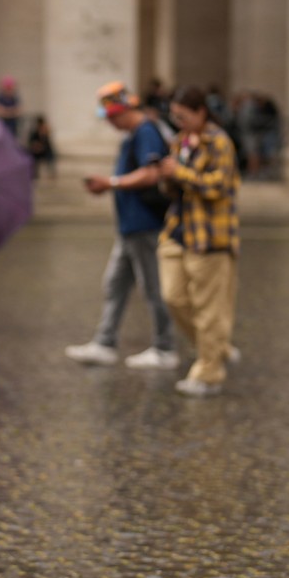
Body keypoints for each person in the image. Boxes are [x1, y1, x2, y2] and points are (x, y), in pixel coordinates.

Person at [67, 85, 179, 369]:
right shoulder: (133, 135)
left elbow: (152, 173)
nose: (109, 123)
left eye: (111, 117)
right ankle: (105, 342)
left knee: (153, 288)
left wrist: (111, 183)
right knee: (114, 284)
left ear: (123, 111)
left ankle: (165, 348)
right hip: (130, 226)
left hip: (145, 225)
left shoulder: (145, 132)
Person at [158, 86, 240, 398]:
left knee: (208, 308)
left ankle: (209, 373)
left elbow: (220, 186)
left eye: (183, 116)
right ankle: (217, 347)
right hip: (178, 230)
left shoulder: (218, 142)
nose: (178, 122)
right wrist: (166, 175)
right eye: (174, 117)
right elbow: (175, 188)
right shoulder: (180, 141)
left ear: (201, 112)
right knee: (173, 297)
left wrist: (180, 172)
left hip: (210, 235)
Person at [25, 114, 57, 179]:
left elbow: (47, 144)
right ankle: (34, 173)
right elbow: (31, 142)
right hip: (36, 151)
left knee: (50, 155)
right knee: (32, 156)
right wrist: (36, 146)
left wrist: (43, 135)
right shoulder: (34, 132)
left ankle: (51, 173)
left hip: (44, 151)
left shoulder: (45, 132)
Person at [0, 76, 21, 141]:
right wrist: (11, 111)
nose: (9, 90)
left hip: (13, 125)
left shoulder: (15, 97)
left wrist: (6, 111)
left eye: (10, 88)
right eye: (7, 88)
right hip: (1, 125)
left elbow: (18, 111)